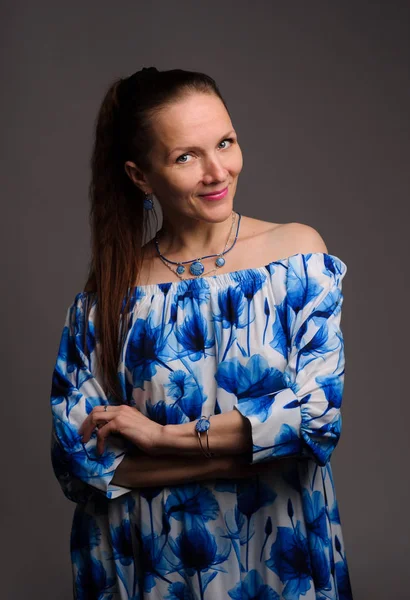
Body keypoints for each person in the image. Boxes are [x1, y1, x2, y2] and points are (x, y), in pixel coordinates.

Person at [50, 66, 353, 599]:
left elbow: (317, 420)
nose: (218, 171)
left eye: (225, 143)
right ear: (141, 176)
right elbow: (81, 463)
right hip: (152, 562)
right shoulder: (111, 292)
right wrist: (251, 450)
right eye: (185, 156)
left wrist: (160, 439)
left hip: (278, 558)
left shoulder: (298, 256)